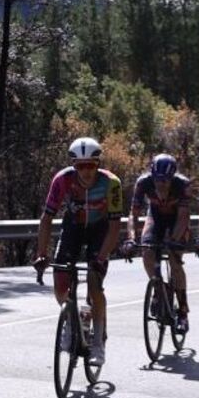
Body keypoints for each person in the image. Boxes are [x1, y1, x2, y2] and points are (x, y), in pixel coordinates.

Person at [32, 137, 123, 365]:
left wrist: (101, 258)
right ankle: (73, 321)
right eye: (80, 166)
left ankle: (99, 342)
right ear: (74, 166)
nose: (86, 171)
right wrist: (42, 254)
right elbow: (46, 220)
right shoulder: (62, 180)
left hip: (100, 231)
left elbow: (114, 227)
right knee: (61, 287)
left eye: (90, 165)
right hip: (73, 228)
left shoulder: (111, 183)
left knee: (94, 283)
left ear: (97, 164)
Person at [125, 153, 193, 334]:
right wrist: (131, 238)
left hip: (176, 220)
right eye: (157, 179)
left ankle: (183, 312)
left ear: (172, 178)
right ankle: (159, 289)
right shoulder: (143, 183)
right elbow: (134, 214)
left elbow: (183, 217)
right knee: (147, 251)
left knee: (174, 261)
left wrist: (174, 242)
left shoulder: (183, 184)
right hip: (155, 217)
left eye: (165, 180)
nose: (160, 184)